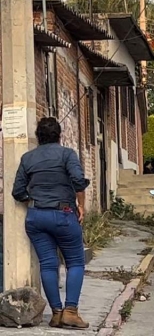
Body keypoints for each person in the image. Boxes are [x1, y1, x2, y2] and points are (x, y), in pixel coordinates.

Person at [12, 117, 90, 329]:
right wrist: (80, 204)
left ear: (38, 137)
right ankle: (71, 311)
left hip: (36, 216)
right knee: (75, 261)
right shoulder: (67, 154)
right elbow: (78, 181)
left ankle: (56, 313)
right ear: (59, 135)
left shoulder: (28, 158)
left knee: (48, 264)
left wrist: (37, 198)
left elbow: (17, 192)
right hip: (63, 213)